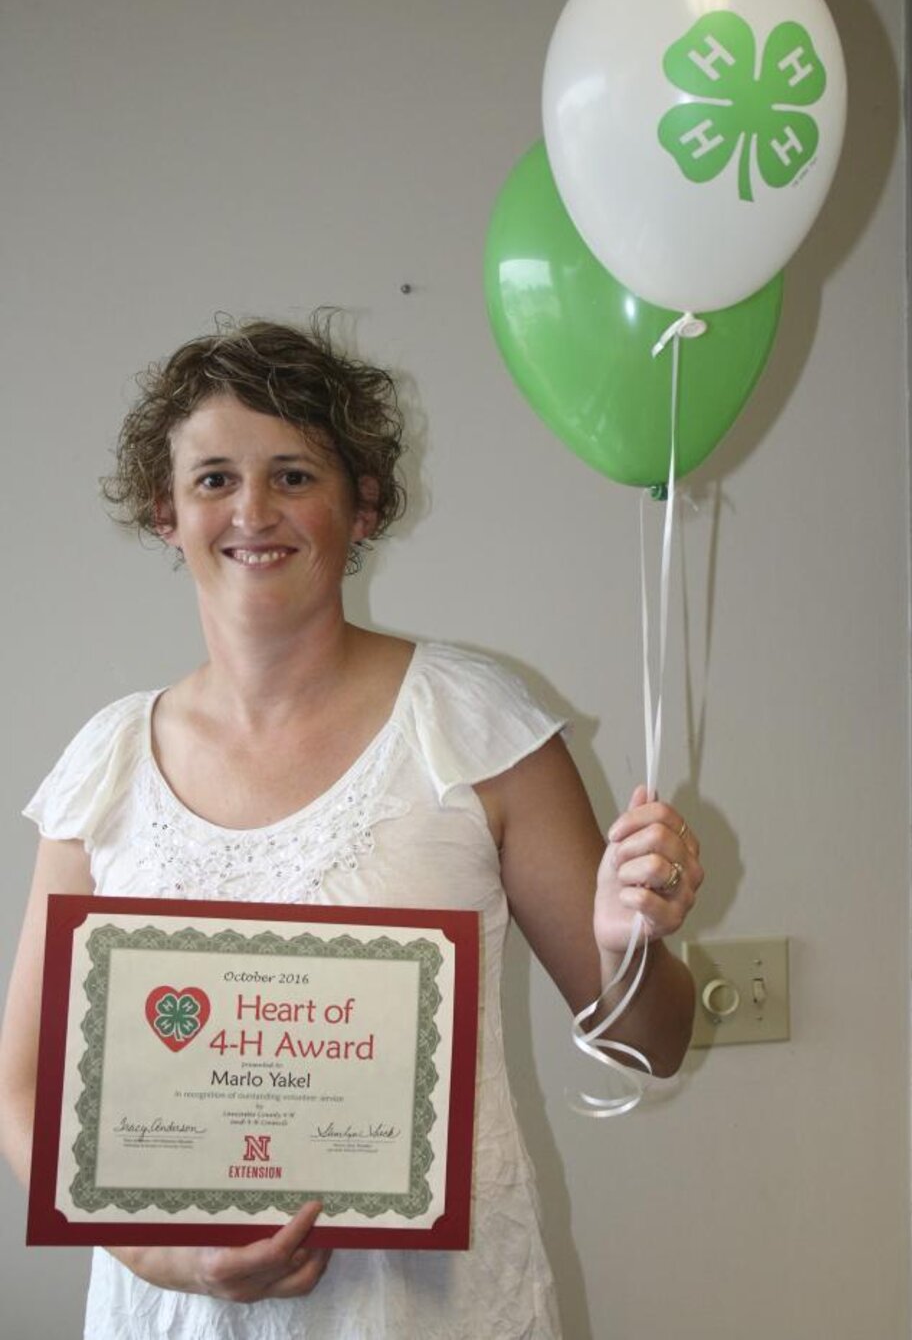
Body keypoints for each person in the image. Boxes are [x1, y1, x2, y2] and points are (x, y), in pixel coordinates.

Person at [0, 313, 702, 1339]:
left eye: (294, 474)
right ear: (164, 511)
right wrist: (165, 1254)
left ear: (362, 503)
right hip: (169, 1316)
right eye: (213, 479)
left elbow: (657, 1044)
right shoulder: (104, 763)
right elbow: (22, 1087)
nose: (253, 509)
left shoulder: (477, 724)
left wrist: (627, 943)